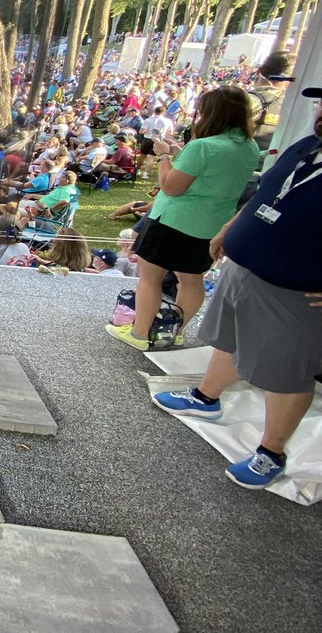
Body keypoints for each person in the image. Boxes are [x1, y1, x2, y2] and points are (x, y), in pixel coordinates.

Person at [151, 88, 322, 489]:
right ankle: (206, 397)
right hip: (246, 264)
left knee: (286, 371)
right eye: (320, 102)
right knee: (228, 338)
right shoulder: (306, 147)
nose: (320, 110)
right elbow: (267, 194)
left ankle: (270, 452)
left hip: (295, 287)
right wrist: (232, 228)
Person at [109, 86, 260, 351]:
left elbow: (171, 187)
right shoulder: (249, 147)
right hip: (210, 225)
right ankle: (175, 331)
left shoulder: (203, 146)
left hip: (174, 221)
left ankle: (139, 333)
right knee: (191, 279)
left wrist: (164, 155)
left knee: (150, 277)